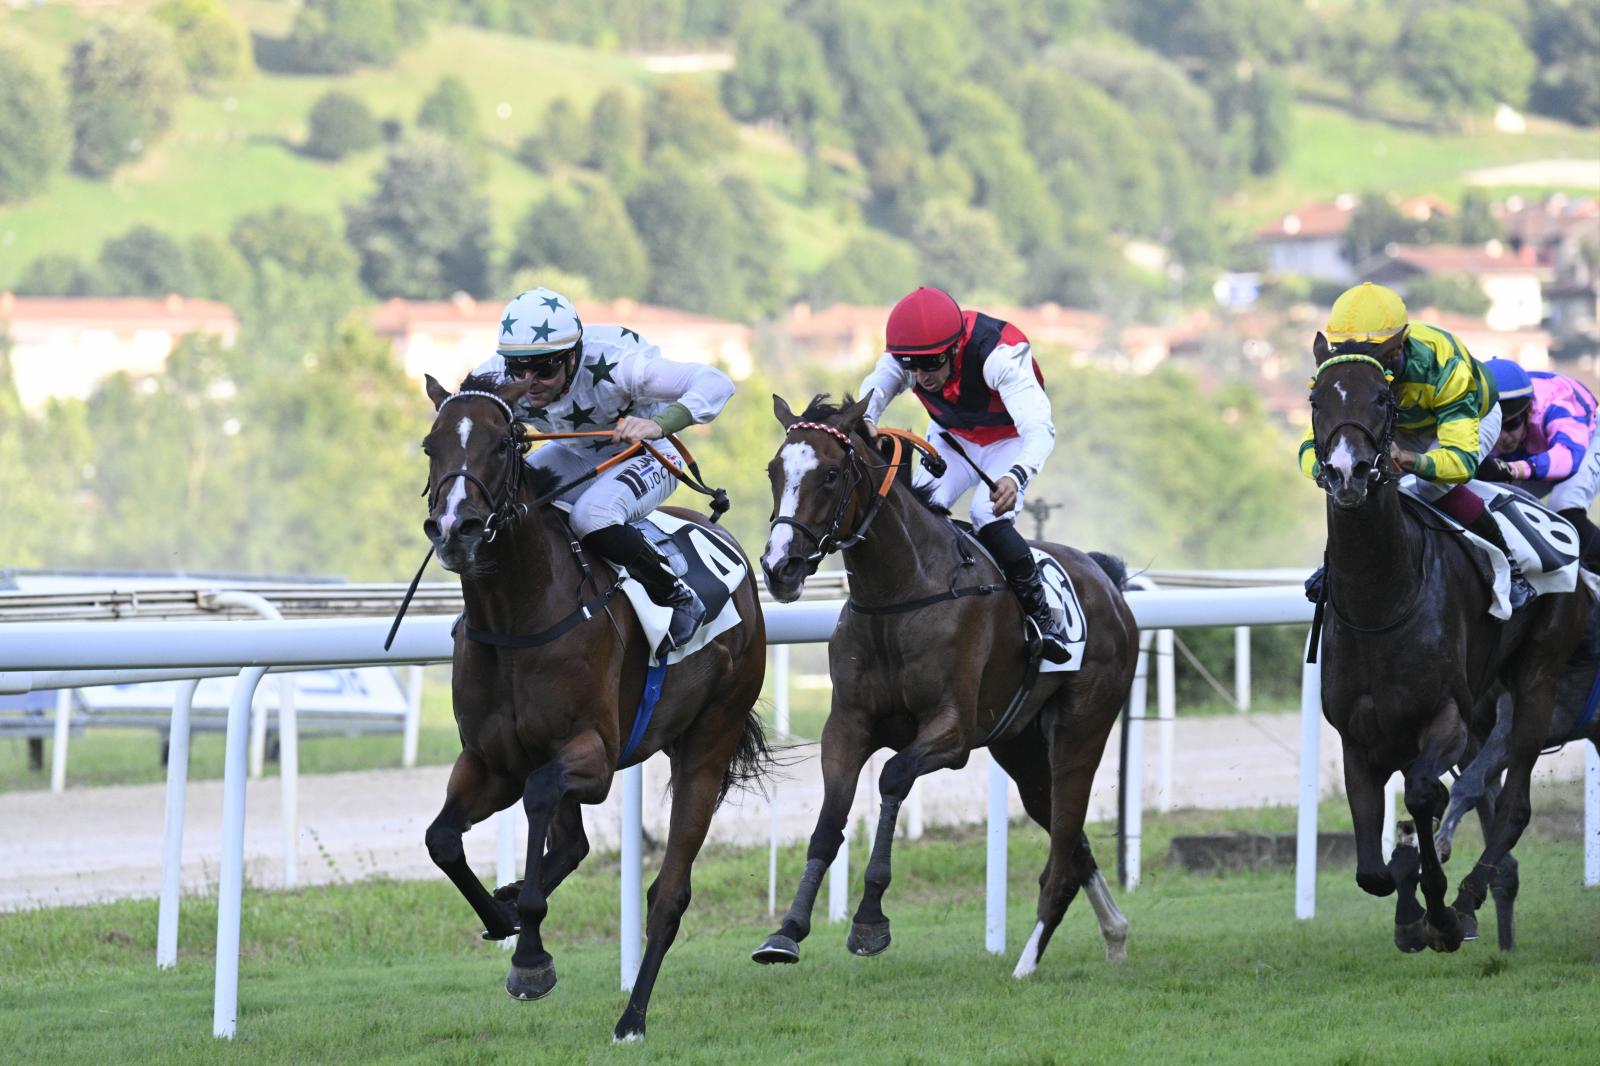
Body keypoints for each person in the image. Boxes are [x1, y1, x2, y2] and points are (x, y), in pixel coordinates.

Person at [475, 287, 735, 656]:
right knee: (505, 500)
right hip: (575, 453)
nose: (529, 382)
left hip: (648, 453)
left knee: (591, 516)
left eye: (545, 369)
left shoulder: (618, 366)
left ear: (572, 356)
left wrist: (658, 425)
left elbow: (717, 383)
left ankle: (678, 595)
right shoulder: (493, 375)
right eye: (518, 369)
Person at [857, 286, 1070, 662]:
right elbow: (873, 392)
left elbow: (1040, 429)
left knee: (985, 514)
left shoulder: (998, 354)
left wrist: (1016, 476)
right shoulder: (912, 357)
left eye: (931, 364)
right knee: (916, 513)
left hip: (1009, 440)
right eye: (912, 367)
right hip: (953, 437)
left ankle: (1043, 621)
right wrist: (867, 420)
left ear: (955, 348)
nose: (922, 377)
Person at [1298, 282, 1533, 608]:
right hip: (1401, 420)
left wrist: (1409, 459)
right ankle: (1337, 563)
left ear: (1396, 350)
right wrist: (1325, 472)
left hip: (1469, 415)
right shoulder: (1348, 373)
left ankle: (1509, 563)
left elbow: (1461, 462)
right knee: (1358, 474)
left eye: (1373, 353)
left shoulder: (1443, 363)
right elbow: (1310, 446)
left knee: (1432, 485)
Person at [1481, 358, 1600, 567]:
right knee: (1497, 507)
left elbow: (1567, 458)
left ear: (1528, 410)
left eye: (1511, 424)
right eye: (1496, 426)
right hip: (1532, 447)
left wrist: (1511, 469)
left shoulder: (1556, 403)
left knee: (1564, 506)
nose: (1503, 437)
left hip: (1584, 441)